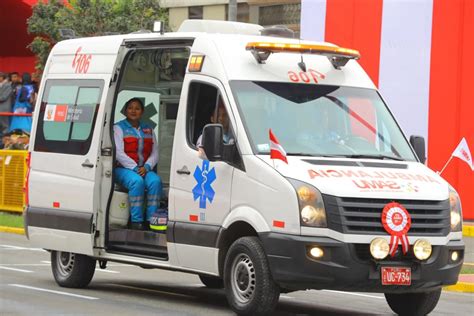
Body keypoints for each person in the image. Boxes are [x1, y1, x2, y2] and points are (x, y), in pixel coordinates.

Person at [114, 98, 163, 230]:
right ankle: (137, 222)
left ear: (142, 112)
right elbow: (118, 153)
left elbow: (155, 153)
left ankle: (151, 220)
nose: (133, 111)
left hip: (144, 168)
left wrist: (147, 167)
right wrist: (135, 168)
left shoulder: (149, 129)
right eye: (130, 108)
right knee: (137, 182)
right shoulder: (118, 128)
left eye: (137, 108)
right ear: (125, 111)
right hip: (123, 169)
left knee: (155, 182)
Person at [0, 72, 13, 143]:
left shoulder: (8, 85)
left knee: (5, 126)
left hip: (4, 109)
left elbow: (3, 97)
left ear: (2, 77)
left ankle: (5, 143)